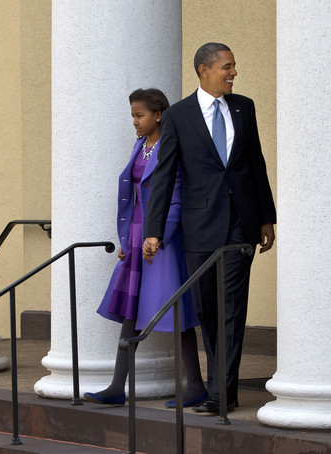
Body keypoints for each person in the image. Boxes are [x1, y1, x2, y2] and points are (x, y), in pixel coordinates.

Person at [143, 43, 276, 414]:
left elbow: (255, 163)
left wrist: (266, 217)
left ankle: (222, 394)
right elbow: (164, 174)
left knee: (231, 308)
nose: (233, 73)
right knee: (208, 311)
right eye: (227, 67)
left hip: (240, 225)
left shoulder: (243, 106)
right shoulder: (179, 115)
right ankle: (220, 388)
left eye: (234, 66)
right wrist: (153, 231)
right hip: (199, 227)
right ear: (204, 70)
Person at [84, 88, 207, 408]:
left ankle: (195, 386)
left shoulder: (171, 145)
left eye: (140, 116)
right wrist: (127, 239)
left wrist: (160, 235)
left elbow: (177, 197)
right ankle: (115, 387)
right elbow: (131, 197)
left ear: (159, 114)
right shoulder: (141, 146)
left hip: (163, 240)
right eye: (133, 116)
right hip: (139, 236)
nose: (135, 122)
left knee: (175, 310)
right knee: (131, 310)